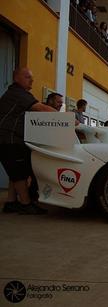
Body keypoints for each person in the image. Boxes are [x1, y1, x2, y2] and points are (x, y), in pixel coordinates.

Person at [0, 68, 56, 214]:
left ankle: (11, 202)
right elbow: (41, 108)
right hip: (9, 139)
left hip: (11, 139)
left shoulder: (17, 93)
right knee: (19, 173)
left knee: (15, 171)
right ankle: (25, 204)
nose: (31, 80)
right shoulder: (18, 94)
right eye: (27, 77)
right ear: (16, 78)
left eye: (32, 77)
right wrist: (67, 118)